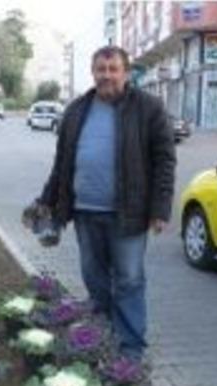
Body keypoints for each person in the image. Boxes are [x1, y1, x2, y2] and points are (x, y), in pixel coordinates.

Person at [35, 46, 176, 360]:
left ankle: (130, 350)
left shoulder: (148, 107)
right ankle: (101, 337)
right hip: (85, 212)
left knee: (128, 280)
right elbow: (62, 164)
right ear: (93, 72)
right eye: (101, 69)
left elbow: (164, 161)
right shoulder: (76, 110)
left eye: (113, 69)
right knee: (94, 279)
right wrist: (48, 201)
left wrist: (160, 209)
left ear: (126, 73)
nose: (107, 75)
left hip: (129, 213)